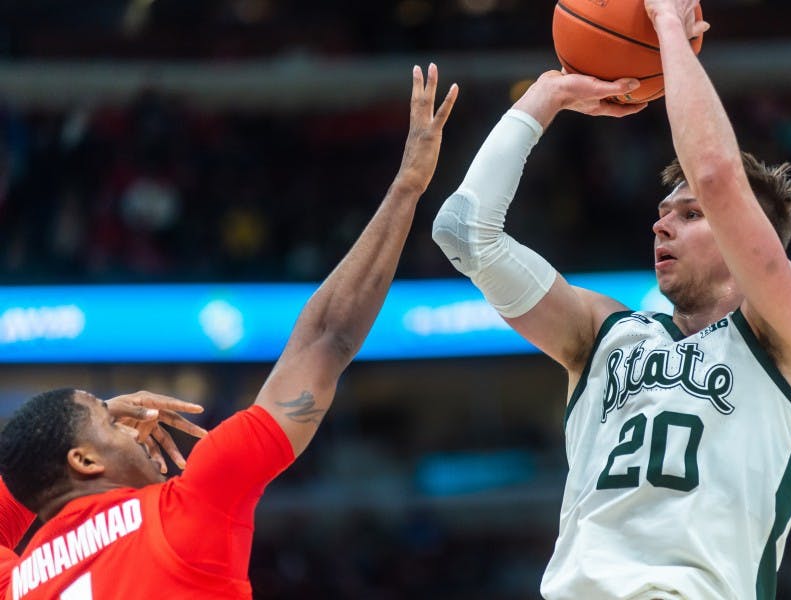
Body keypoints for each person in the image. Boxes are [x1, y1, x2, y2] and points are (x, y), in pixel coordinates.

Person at [0, 64, 458, 600]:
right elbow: (326, 339)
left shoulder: (15, 581)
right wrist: (408, 187)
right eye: (111, 420)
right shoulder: (189, 504)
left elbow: (21, 477)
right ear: (84, 462)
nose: (134, 424)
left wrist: (78, 435)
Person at [431, 1, 791, 597]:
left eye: (689, 215)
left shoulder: (788, 337)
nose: (661, 226)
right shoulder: (603, 334)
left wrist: (667, 22)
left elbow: (719, 177)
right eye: (662, 213)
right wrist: (547, 97)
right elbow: (465, 233)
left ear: (753, 239)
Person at [0, 391, 208, 568]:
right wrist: (83, 426)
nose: (133, 436)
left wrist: (79, 428)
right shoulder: (195, 513)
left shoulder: (24, 581)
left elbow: (30, 474)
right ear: (84, 460)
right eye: (112, 426)